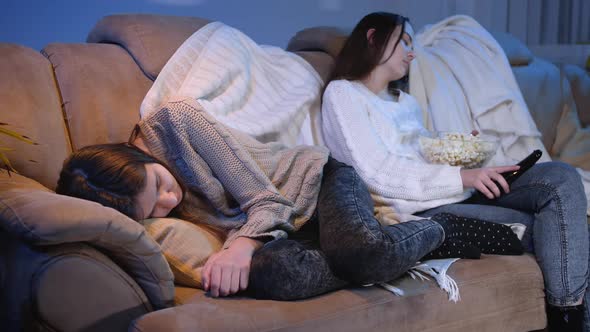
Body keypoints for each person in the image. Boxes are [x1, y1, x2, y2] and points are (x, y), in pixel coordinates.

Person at [56, 97, 522, 302]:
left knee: (360, 253)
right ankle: (392, 246)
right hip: (288, 228)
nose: (169, 200)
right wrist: (245, 255)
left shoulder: (176, 120)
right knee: (273, 274)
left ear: (131, 155)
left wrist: (240, 245)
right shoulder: (141, 204)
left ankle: (442, 229)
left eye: (158, 184)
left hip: (320, 182)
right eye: (153, 210)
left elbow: (267, 200)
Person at [321, 11, 589, 331]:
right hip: (427, 209)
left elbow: (421, 153)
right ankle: (569, 321)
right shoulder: (343, 94)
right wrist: (461, 177)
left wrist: (463, 152)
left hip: (457, 190)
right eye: (404, 41)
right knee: (555, 225)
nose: (412, 51)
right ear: (373, 37)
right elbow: (374, 171)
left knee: (561, 177)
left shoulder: (404, 102)